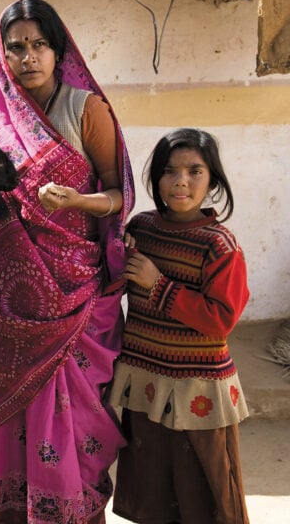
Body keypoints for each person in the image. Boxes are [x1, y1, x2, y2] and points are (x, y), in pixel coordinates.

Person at [0, 0, 133, 523]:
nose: (28, 57)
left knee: (72, 429)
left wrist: (77, 202)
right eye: (16, 48)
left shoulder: (85, 110)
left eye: (39, 45)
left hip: (74, 302)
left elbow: (117, 193)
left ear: (58, 51)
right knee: (1, 429)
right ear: (1, 54)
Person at [108, 128, 250, 523]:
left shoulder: (219, 245)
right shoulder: (141, 229)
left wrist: (158, 285)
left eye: (194, 171)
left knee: (205, 492)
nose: (181, 181)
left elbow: (220, 320)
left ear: (213, 181)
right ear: (156, 178)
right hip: (146, 383)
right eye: (169, 171)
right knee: (154, 489)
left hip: (197, 388)